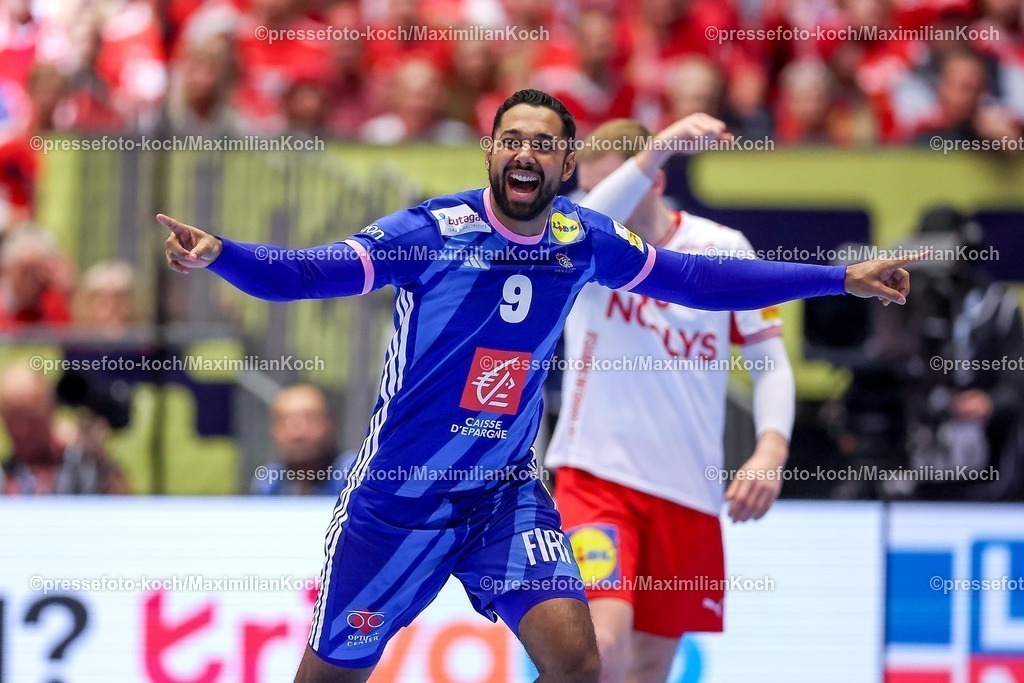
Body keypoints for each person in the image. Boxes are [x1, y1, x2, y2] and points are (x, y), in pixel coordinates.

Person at [158, 89, 915, 683]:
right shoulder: (432, 232)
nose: (526, 153)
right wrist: (221, 254)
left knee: (580, 662)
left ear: (565, 163)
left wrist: (838, 277)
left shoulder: (582, 240)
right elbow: (305, 274)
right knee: (331, 675)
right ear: (491, 151)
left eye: (545, 144)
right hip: (400, 498)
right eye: (513, 139)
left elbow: (698, 278)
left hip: (503, 496)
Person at [545, 117, 795, 683]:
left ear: (657, 182)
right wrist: (662, 147)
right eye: (591, 187)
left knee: (652, 666)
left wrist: (770, 452)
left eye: (623, 180)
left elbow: (769, 363)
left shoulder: (722, 248)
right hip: (597, 479)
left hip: (688, 493)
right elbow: (590, 216)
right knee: (600, 648)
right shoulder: (583, 247)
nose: (598, 199)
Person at [0, 363, 129, 495]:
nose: (21, 431)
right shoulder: (6, 477)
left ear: (50, 410)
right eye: (11, 421)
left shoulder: (80, 463)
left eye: (30, 419)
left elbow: (125, 504)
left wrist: (99, 458)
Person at [252, 383, 355, 496]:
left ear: (329, 424)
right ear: (273, 430)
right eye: (285, 421)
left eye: (310, 419)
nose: (297, 433)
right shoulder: (269, 481)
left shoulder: (354, 473)